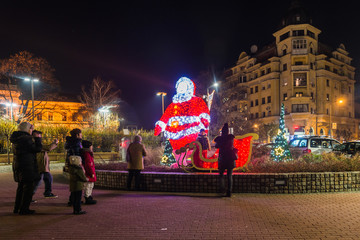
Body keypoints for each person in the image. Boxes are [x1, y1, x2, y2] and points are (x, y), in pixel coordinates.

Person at [10, 122, 42, 215]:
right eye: (31, 129)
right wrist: (38, 139)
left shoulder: (17, 139)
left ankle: (17, 208)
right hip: (27, 166)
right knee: (28, 188)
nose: (32, 131)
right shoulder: (26, 139)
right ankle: (24, 209)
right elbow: (37, 149)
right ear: (27, 129)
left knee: (20, 188)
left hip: (20, 165)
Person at [32, 130, 59, 198]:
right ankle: (28, 196)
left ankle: (47, 193)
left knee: (48, 178)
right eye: (38, 135)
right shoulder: (35, 144)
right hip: (40, 165)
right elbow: (48, 148)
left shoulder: (37, 143)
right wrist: (55, 143)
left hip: (42, 166)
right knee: (37, 182)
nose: (40, 136)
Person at [214, 123, 236, 197]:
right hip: (230, 158)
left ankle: (222, 190)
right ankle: (229, 192)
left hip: (222, 159)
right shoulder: (231, 138)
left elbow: (216, 146)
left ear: (222, 131)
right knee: (229, 176)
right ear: (228, 131)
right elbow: (232, 145)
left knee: (221, 175)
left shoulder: (219, 139)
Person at [65, 128, 83, 206]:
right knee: (78, 184)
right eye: (80, 134)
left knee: (74, 183)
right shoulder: (77, 143)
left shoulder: (69, 142)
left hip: (70, 164)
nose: (81, 135)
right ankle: (75, 203)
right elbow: (78, 154)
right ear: (77, 135)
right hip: (76, 165)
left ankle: (72, 200)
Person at [81, 140, 97, 204]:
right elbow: (88, 164)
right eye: (91, 146)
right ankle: (87, 197)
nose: (92, 147)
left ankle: (89, 196)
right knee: (88, 185)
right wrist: (91, 173)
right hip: (89, 173)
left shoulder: (86, 154)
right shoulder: (87, 154)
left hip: (89, 172)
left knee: (90, 185)